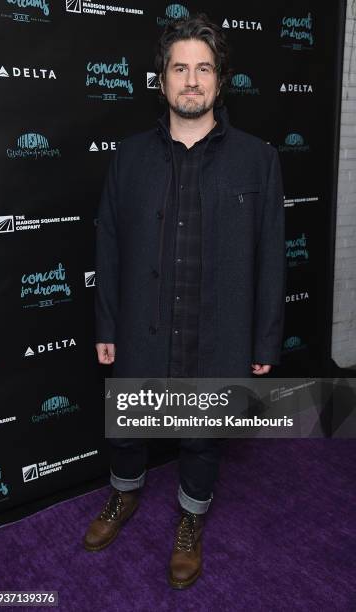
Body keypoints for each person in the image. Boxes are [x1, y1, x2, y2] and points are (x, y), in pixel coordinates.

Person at [83, 13, 286, 590]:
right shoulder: (128, 156)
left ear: (220, 81)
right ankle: (122, 498)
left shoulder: (258, 160)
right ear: (163, 79)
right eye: (180, 68)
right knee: (128, 424)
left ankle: (191, 520)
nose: (191, 81)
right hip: (145, 324)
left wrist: (264, 338)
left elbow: (272, 255)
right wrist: (108, 323)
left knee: (201, 434)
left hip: (217, 327)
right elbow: (110, 245)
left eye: (204, 69)